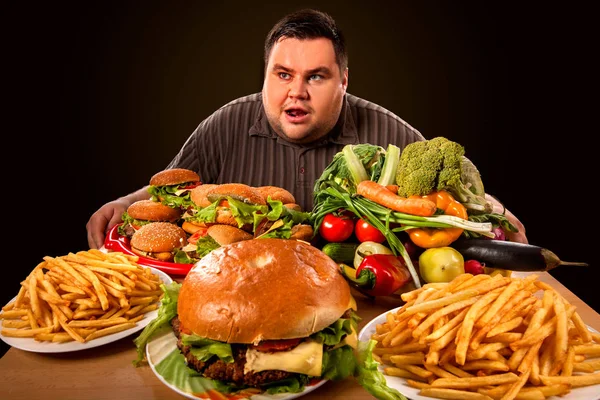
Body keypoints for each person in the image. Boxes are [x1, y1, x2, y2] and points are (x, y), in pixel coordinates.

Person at [86, 8, 526, 249]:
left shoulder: (386, 129)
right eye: (282, 75)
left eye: (316, 76)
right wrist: (123, 202)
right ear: (264, 74)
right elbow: (171, 190)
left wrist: (495, 213)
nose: (296, 92)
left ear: (344, 80)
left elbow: (447, 184)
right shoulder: (225, 124)